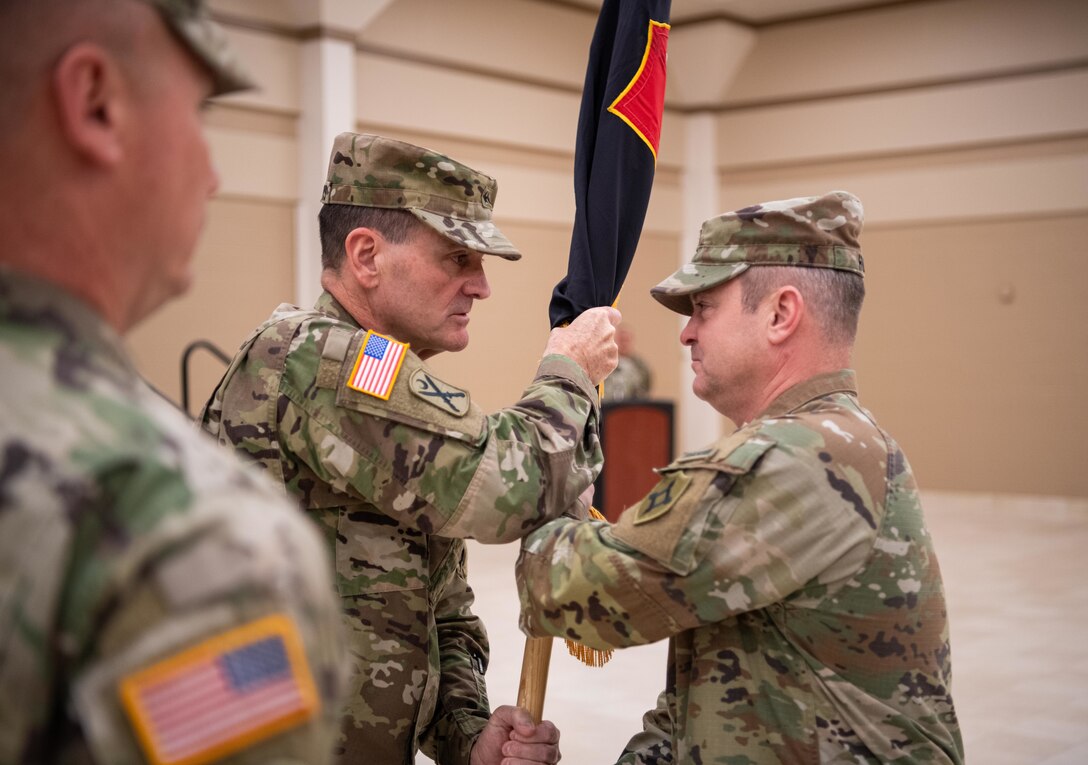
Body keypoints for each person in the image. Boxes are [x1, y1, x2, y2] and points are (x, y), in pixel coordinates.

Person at [199, 131, 620, 765]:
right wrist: (569, 372)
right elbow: (511, 487)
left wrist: (469, 735)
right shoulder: (323, 359)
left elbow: (439, 608)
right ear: (366, 256)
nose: (481, 287)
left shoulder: (386, 382)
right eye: (458, 259)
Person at [0, 1, 347, 763]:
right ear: (94, 101)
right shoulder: (187, 534)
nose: (216, 173)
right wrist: (565, 374)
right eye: (200, 110)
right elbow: (493, 483)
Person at [515, 191, 965, 763]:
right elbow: (711, 695)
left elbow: (578, 588)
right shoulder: (838, 436)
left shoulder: (797, 454)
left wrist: (555, 409)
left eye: (704, 308)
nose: (686, 333)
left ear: (781, 314)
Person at [602, 326, 652, 402]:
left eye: (627, 340)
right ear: (615, 341)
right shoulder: (604, 362)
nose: (624, 343)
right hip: (607, 405)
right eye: (621, 340)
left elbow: (646, 387)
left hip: (631, 407)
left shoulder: (640, 365)